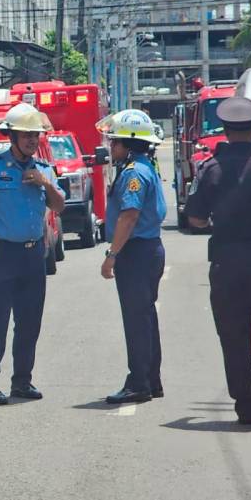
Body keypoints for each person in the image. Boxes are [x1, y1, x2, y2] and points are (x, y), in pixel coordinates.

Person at [0, 103, 66, 405]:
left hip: (34, 255)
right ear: (12, 136)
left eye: (36, 135)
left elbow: (58, 207)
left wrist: (46, 184)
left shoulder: (44, 170)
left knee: (29, 321)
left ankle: (22, 381)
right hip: (1, 253)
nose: (32, 140)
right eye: (26, 135)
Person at [185, 96, 251, 424]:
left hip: (225, 262)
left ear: (224, 130)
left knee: (233, 336)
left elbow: (195, 219)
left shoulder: (209, 169)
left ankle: (245, 404)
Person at [96, 110, 167, 404]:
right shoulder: (144, 166)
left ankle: (139, 383)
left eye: (114, 143)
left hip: (136, 252)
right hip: (148, 250)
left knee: (137, 320)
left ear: (128, 143)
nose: (111, 148)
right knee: (146, 317)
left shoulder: (134, 173)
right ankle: (150, 380)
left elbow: (129, 216)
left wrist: (112, 254)